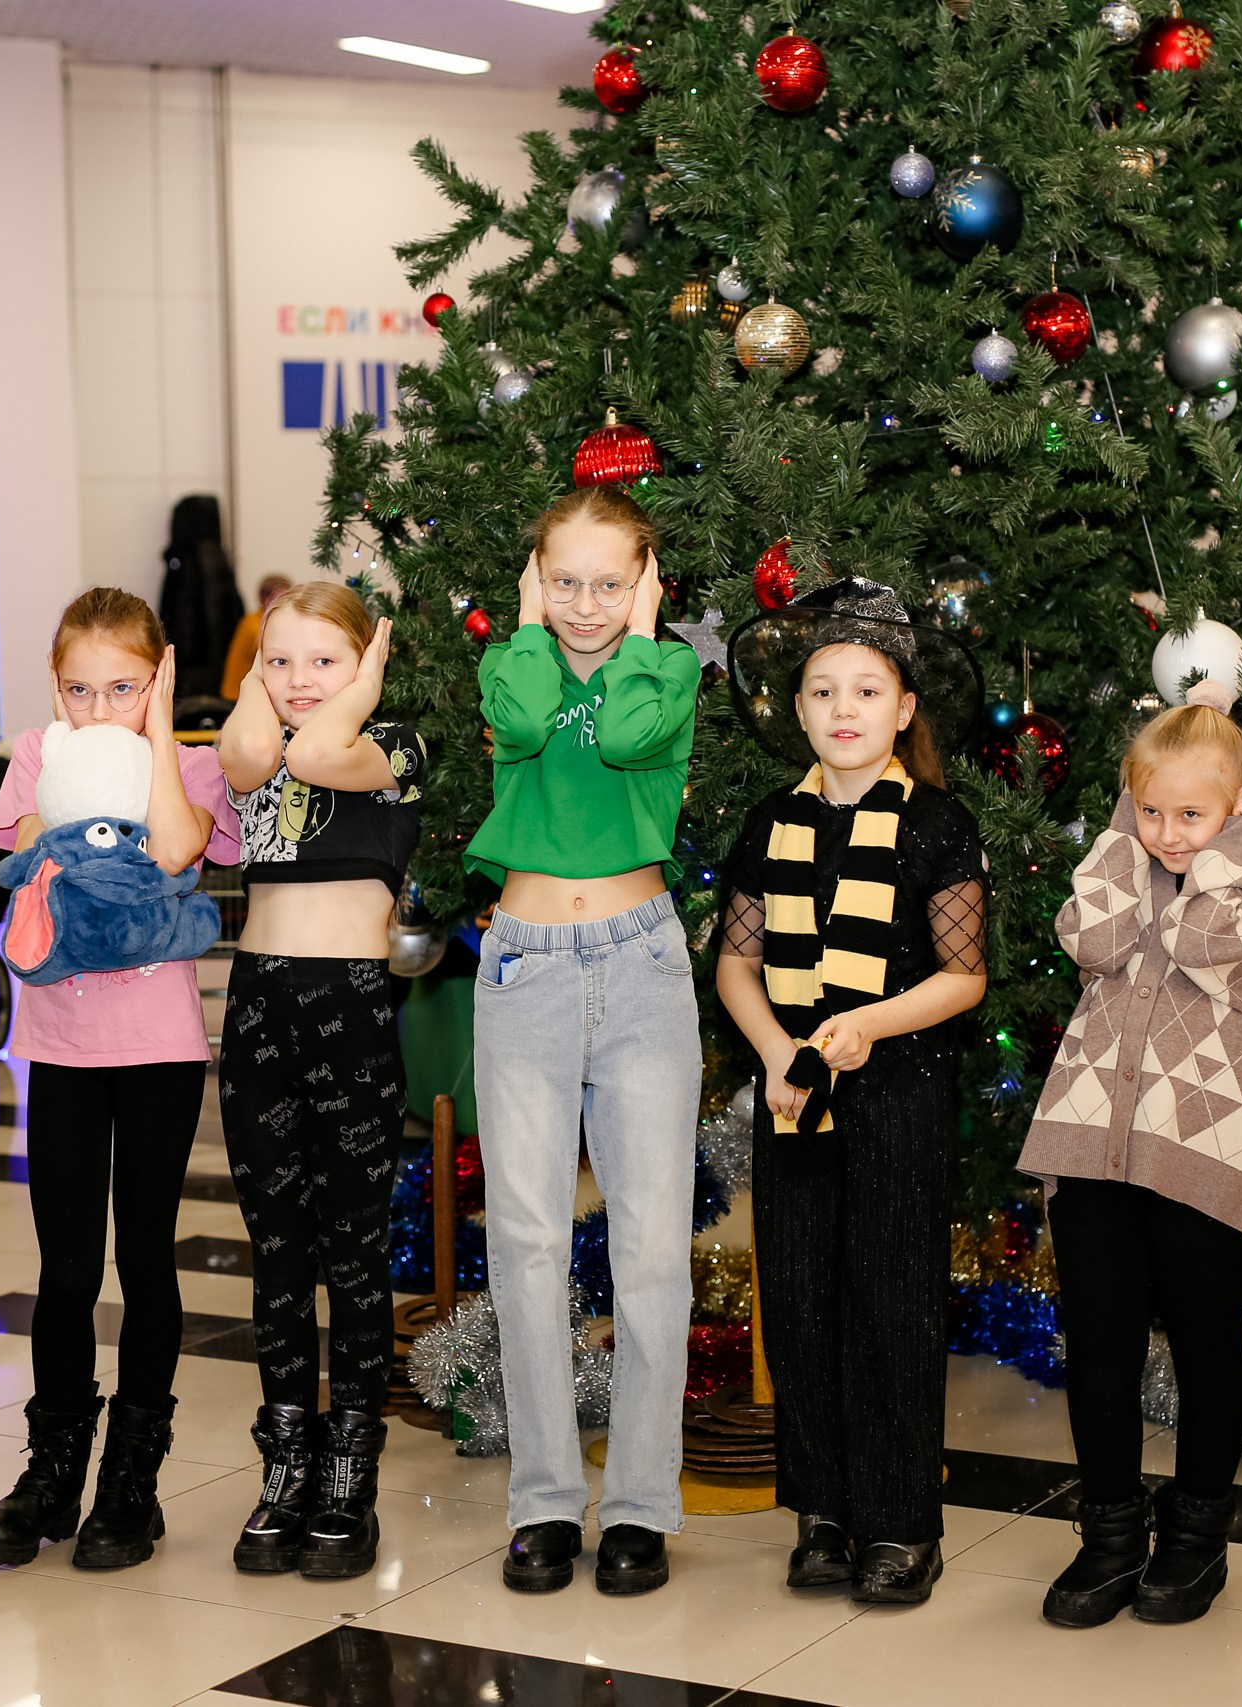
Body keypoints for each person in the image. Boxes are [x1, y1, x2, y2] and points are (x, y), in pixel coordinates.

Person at [714, 580, 988, 1608]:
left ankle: (901, 1519)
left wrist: (866, 1026)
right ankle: (822, 1511)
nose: (842, 709)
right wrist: (781, 1049)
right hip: (795, 1099)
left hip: (898, 1096)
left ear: (903, 709)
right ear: (797, 711)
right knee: (799, 1300)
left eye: (865, 691)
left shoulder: (937, 827)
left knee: (891, 1302)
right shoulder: (769, 821)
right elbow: (736, 963)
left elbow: (963, 976)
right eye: (822, 691)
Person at [1023, 681, 1242, 1628]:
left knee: (1203, 1341)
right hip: (1092, 1140)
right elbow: (1092, 938)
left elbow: (1196, 939)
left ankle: (1195, 1537)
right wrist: (1125, 835)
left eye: (1193, 813)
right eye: (1151, 809)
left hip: (1205, 1150)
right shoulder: (1117, 861)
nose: (1169, 831)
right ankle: (1109, 1533)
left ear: (1240, 808)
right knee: (1099, 1344)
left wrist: (1225, 852)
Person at [0, 589, 239, 1574]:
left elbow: (171, 847)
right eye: (79, 688)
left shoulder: (192, 765)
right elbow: (40, 839)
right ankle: (50, 1472)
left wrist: (157, 730)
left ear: (157, 678)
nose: (98, 706)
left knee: (147, 1263)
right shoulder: (39, 756)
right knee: (66, 1270)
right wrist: (85, 745)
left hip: (158, 1050)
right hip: (64, 1049)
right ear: (53, 685)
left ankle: (131, 1482)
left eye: (122, 686)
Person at [470, 486, 701, 1596]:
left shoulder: (667, 671)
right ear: (534, 579)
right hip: (522, 965)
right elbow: (520, 726)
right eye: (563, 581)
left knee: (650, 1248)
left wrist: (646, 638)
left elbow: (618, 736)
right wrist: (525, 628)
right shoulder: (514, 664)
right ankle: (546, 1499)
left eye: (612, 582)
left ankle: (643, 1505)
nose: (586, 604)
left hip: (641, 963)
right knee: (524, 1241)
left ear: (647, 585)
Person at [215, 582, 425, 1579]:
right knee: (277, 1253)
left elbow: (311, 753)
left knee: (352, 1250)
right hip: (258, 1008)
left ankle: (352, 1469)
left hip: (348, 1010)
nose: (300, 681)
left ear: (368, 663)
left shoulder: (390, 748)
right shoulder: (258, 743)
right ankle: (288, 1458)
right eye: (280, 661)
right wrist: (264, 675)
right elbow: (254, 754)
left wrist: (360, 686)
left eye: (324, 661)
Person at [219, 574, 295, 699]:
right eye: (282, 598)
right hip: (238, 696)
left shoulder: (254, 620)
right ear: (266, 600)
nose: (288, 604)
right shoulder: (254, 625)